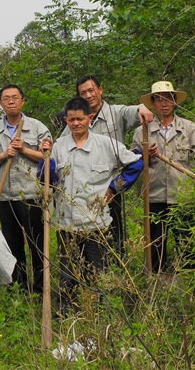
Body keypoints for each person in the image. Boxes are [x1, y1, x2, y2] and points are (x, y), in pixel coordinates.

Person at [40, 97, 144, 313]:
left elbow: (136, 163)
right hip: (67, 225)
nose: (76, 124)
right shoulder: (59, 146)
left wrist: (115, 187)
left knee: (98, 272)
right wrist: (45, 157)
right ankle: (66, 314)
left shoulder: (107, 144)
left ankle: (98, 314)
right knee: (68, 273)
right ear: (66, 121)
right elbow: (47, 178)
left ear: (90, 118)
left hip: (96, 224)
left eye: (80, 119)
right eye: (71, 120)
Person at [64, 76, 154, 256]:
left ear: (100, 90)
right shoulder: (77, 120)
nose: (88, 95)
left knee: (113, 235)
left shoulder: (115, 112)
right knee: (87, 238)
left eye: (91, 90)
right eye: (83, 93)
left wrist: (142, 108)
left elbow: (133, 112)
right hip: (83, 190)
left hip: (109, 187)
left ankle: (117, 273)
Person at [132, 81, 195, 275]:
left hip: (183, 197)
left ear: (174, 101)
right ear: (153, 103)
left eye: (168, 98)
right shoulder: (142, 131)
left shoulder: (189, 128)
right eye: (159, 99)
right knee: (156, 247)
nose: (164, 103)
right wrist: (145, 155)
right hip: (154, 197)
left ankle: (190, 284)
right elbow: (133, 162)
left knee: (186, 244)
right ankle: (158, 287)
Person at [0, 84, 51, 294]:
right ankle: (20, 286)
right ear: (1, 103)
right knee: (12, 244)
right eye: (6, 98)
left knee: (36, 244)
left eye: (15, 97)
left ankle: (41, 287)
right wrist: (5, 154)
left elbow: (49, 157)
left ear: (23, 101)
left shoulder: (37, 127)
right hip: (4, 196)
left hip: (31, 194)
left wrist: (24, 149)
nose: (11, 101)